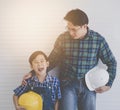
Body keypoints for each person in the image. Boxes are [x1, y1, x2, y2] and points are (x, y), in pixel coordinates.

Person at [22, 9, 117, 110]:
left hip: (89, 85)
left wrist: (108, 84)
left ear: (84, 26)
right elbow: (52, 60)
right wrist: (32, 73)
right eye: (68, 28)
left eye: (74, 29)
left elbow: (112, 62)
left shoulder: (98, 40)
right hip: (67, 84)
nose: (70, 32)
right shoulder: (63, 39)